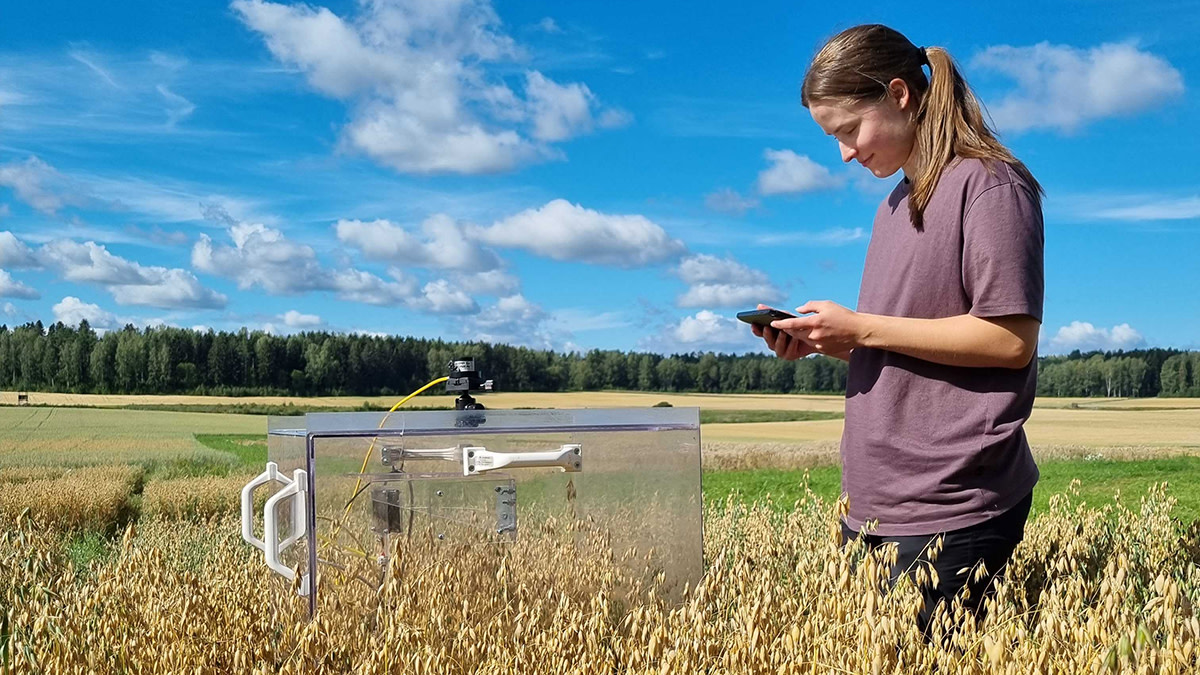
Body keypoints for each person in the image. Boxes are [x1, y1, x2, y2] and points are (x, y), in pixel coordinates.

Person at [750, 23, 1044, 636]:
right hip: (874, 498)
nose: (845, 155)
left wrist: (860, 329)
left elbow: (1010, 341)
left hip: (950, 502)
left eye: (849, 131)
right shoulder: (892, 206)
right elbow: (905, 342)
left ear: (900, 95)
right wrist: (827, 340)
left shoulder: (990, 185)